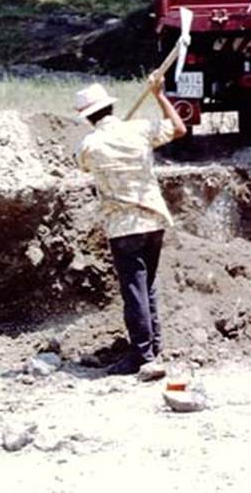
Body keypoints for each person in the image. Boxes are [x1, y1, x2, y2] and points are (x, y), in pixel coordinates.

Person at [74, 75, 186, 376]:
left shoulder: (89, 145)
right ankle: (153, 346)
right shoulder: (139, 130)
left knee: (134, 291)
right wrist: (159, 95)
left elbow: (81, 164)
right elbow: (179, 128)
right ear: (110, 106)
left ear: (85, 116)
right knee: (145, 286)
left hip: (124, 227)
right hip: (154, 220)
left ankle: (142, 355)